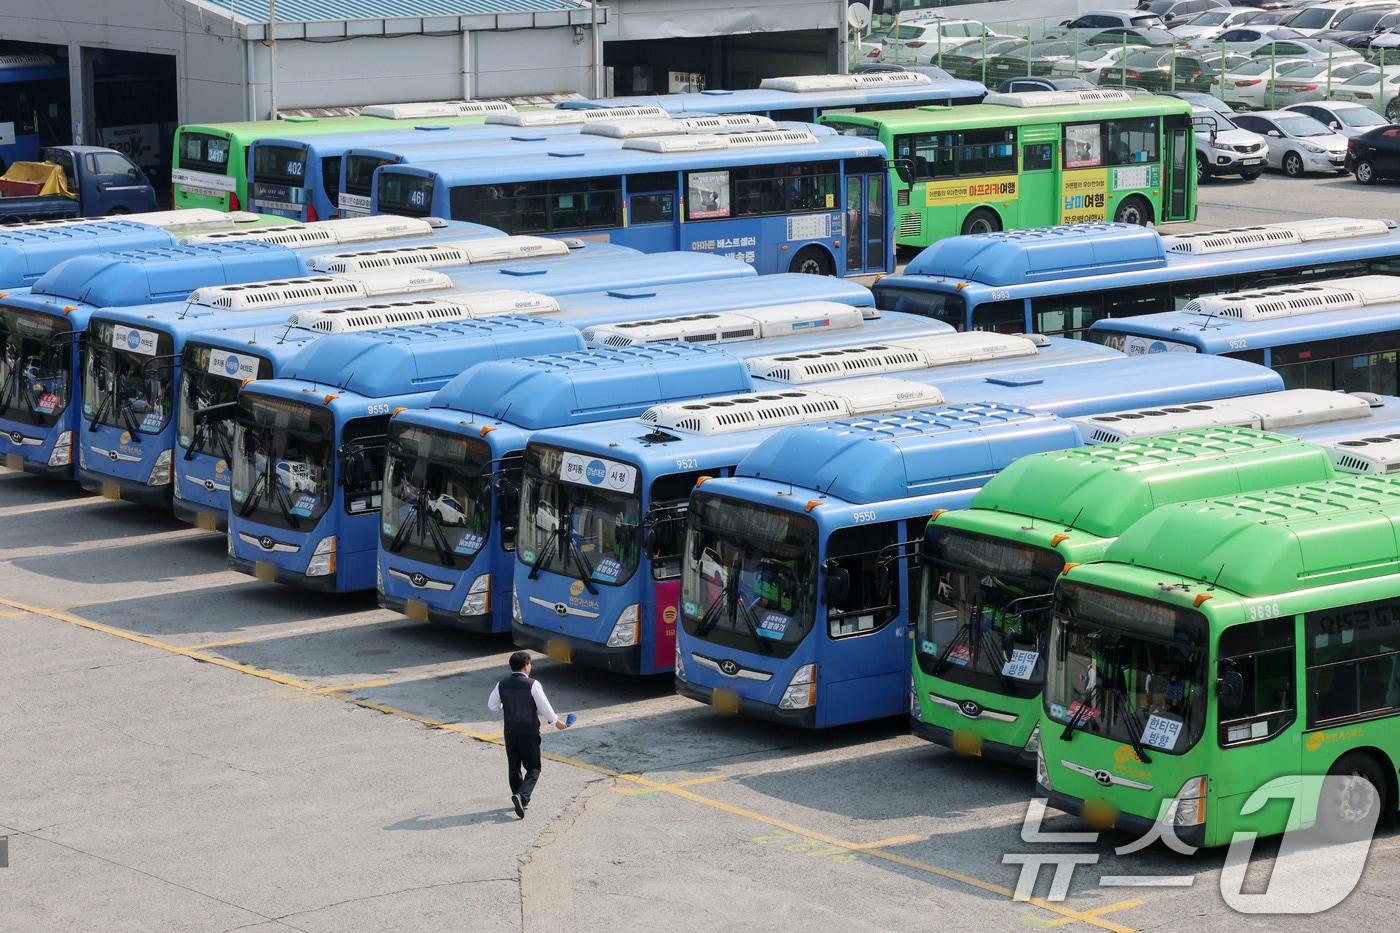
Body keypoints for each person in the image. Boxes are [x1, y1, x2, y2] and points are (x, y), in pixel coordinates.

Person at [487, 651, 569, 819]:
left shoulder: (501, 684)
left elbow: (492, 706)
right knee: (534, 767)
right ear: (526, 665)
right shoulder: (533, 684)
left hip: (510, 732)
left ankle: (519, 797)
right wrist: (556, 722)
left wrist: (506, 706)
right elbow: (544, 706)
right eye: (530, 664)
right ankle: (522, 796)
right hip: (529, 731)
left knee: (514, 765)